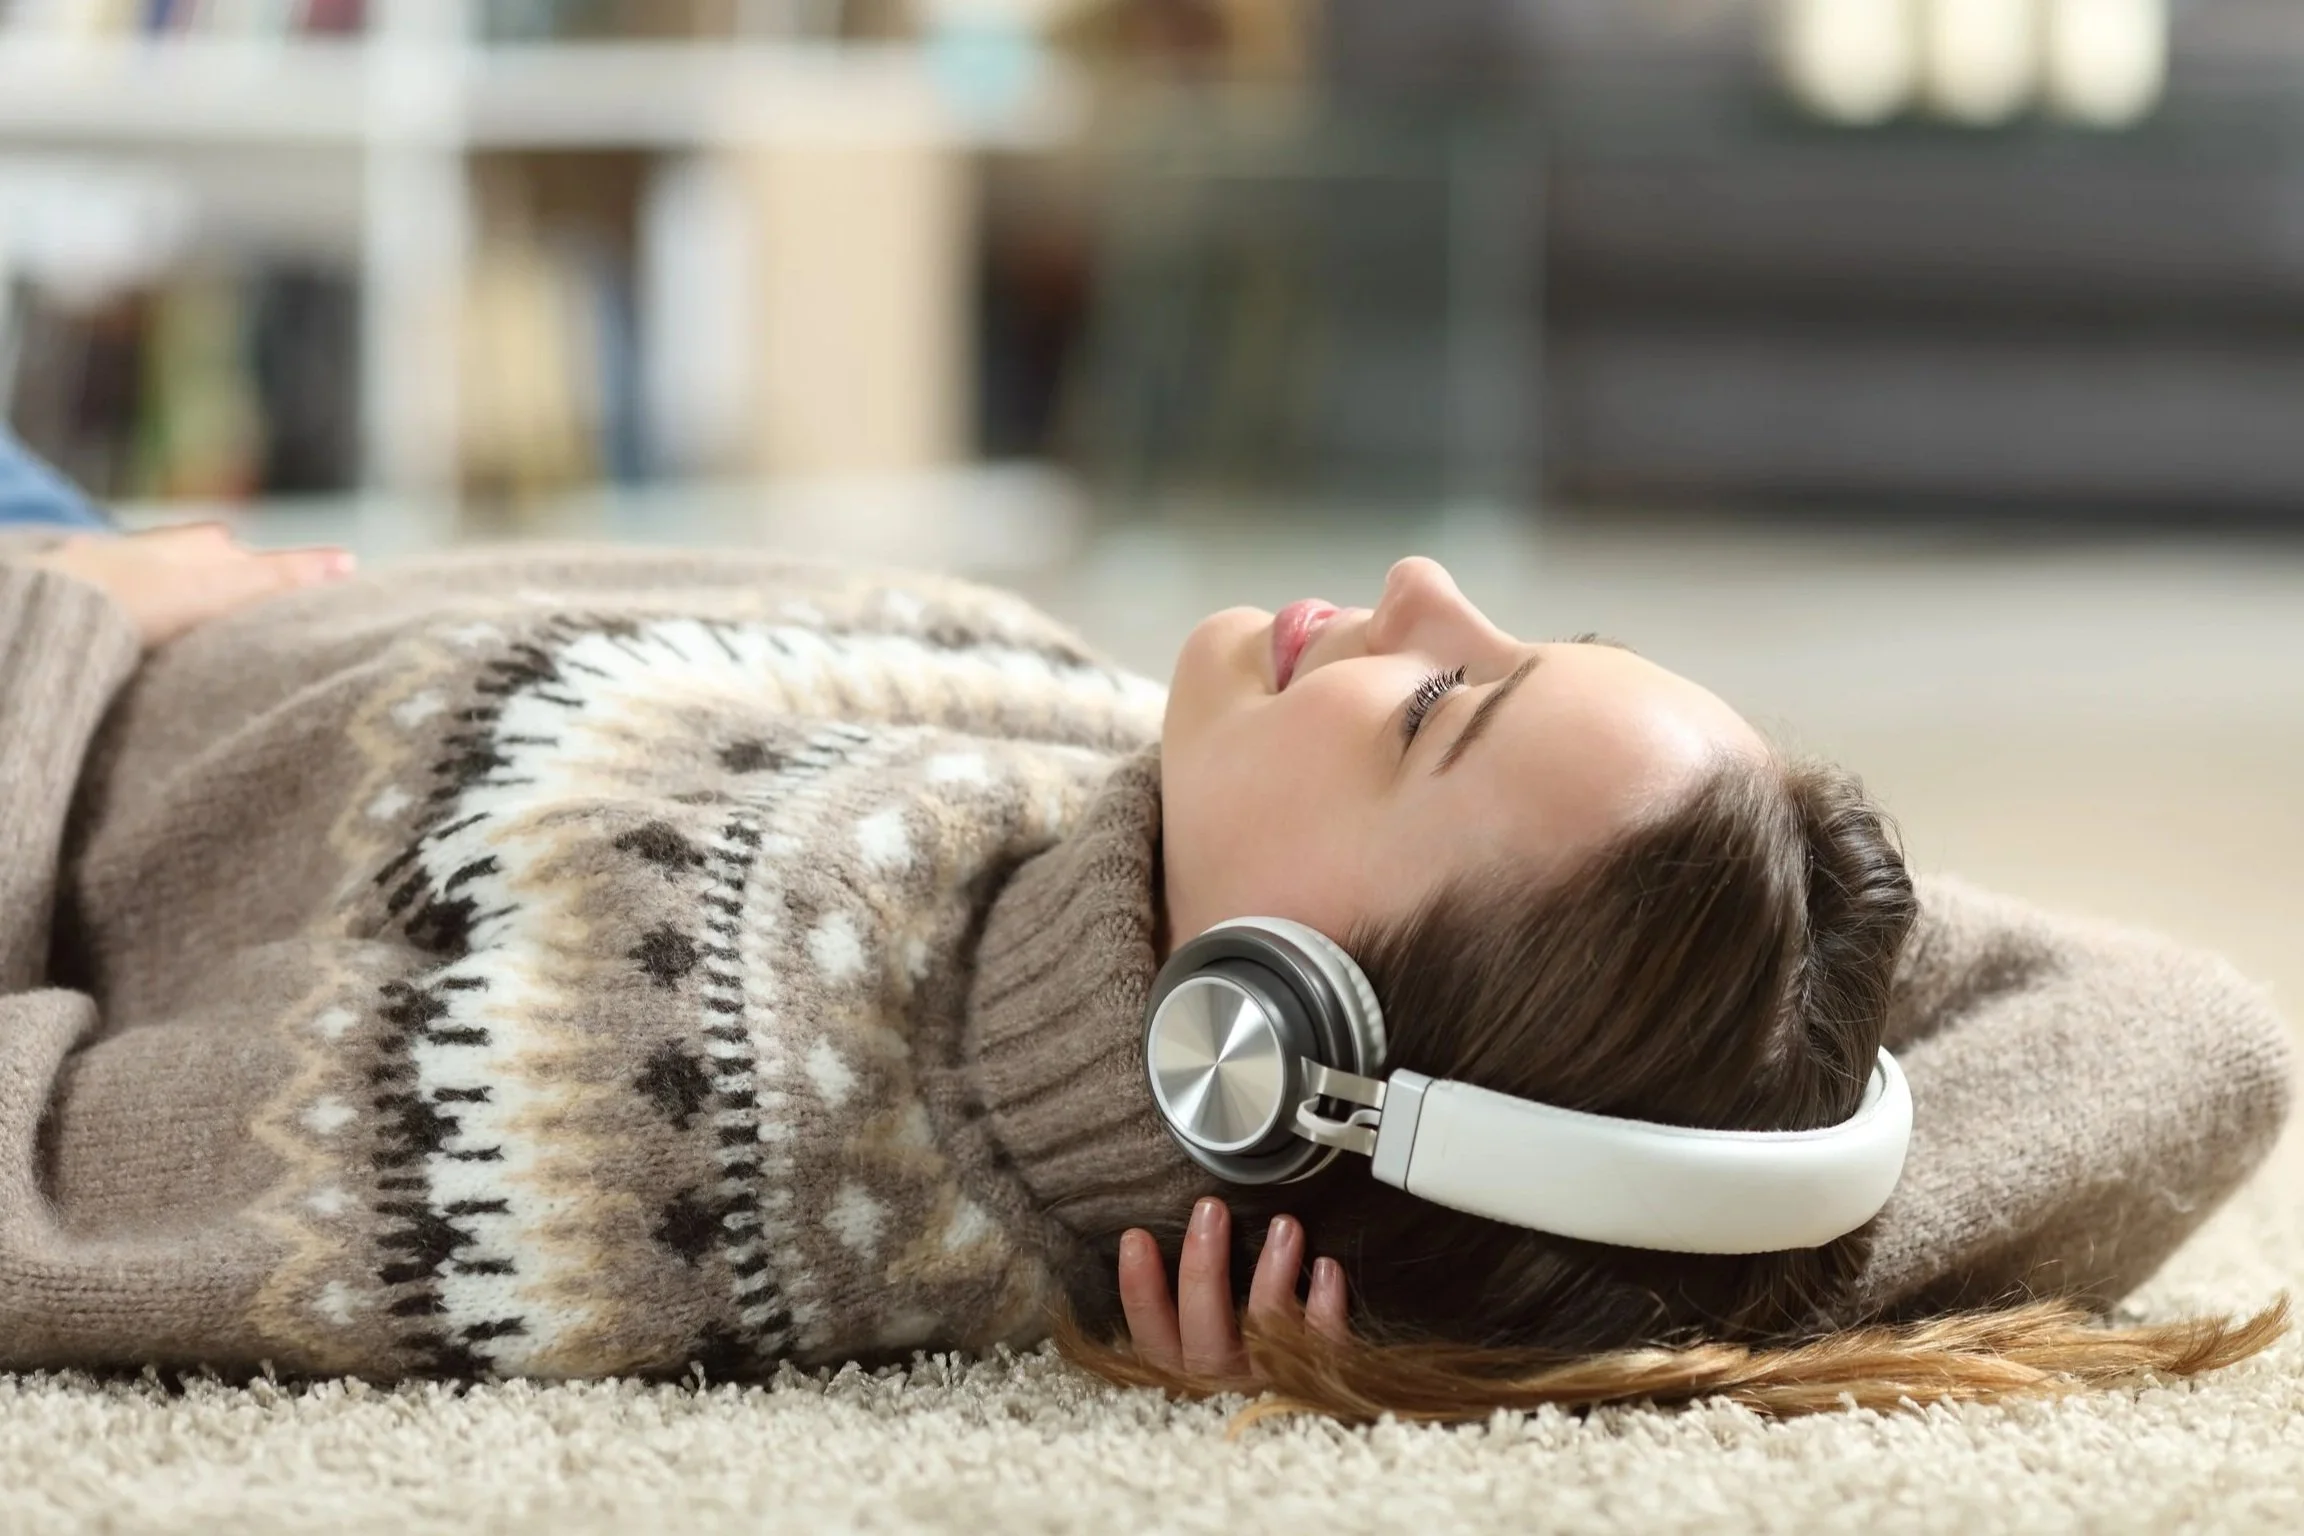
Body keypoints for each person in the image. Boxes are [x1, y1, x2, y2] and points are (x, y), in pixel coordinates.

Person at [0, 497, 2290, 1421]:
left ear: (1274, 1037)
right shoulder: (1136, 801)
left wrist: (83, 618)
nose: (1408, 588)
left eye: (1440, 709)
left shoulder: (638, 1153)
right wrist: (1574, 1222)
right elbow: (2206, 1032)